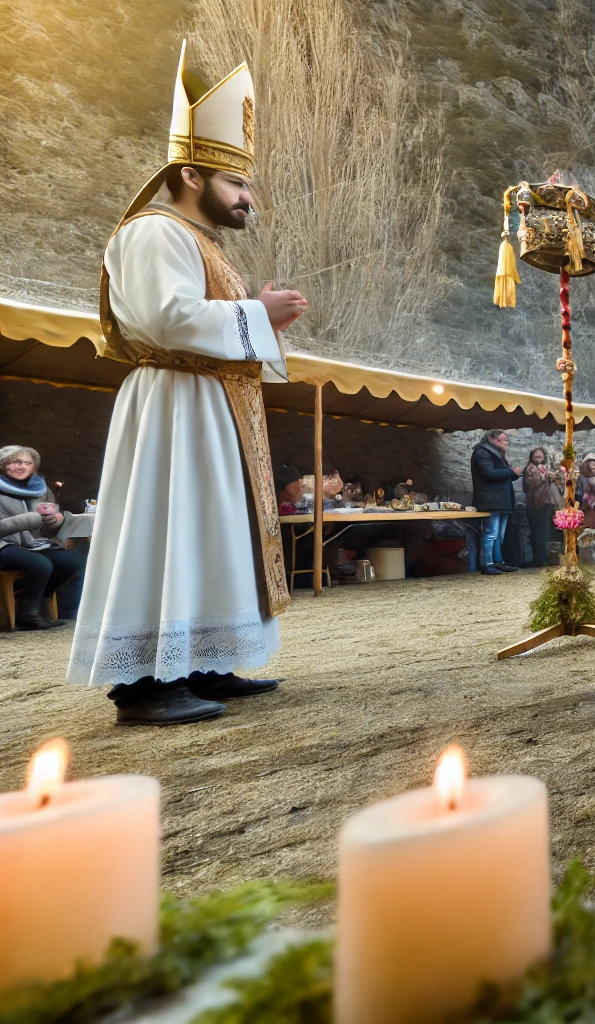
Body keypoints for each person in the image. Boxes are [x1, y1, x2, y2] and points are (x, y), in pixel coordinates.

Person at [73, 47, 302, 725]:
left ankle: (200, 659)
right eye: (237, 183)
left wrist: (251, 310)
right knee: (166, 530)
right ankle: (142, 684)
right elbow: (165, 319)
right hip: (171, 408)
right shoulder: (153, 231)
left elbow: (196, 315)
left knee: (207, 533)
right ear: (191, 172)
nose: (248, 200)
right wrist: (257, 315)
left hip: (207, 408)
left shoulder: (195, 240)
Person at [0, 446, 85, 629]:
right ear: (3, 464)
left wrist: (55, 520)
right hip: (3, 545)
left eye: (27, 462)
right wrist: (31, 519)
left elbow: (47, 526)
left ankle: (33, 599)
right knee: (41, 564)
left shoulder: (40, 488)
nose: (21, 466)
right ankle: (28, 614)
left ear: (34, 467)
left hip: (29, 544)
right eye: (15, 461)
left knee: (73, 561)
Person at [471, 429, 520, 574]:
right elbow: (489, 473)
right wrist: (511, 471)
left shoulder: (495, 453)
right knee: (491, 532)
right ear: (492, 438)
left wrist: (512, 473)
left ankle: (498, 561)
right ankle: (488, 564)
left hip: (501, 500)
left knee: (500, 534)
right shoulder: (482, 452)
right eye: (503, 440)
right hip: (491, 500)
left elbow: (501, 474)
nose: (506, 443)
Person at [522, 447, 564, 568]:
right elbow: (530, 484)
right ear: (532, 457)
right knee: (537, 532)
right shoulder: (530, 469)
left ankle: (543, 558)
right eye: (536, 456)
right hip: (535, 504)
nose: (538, 458)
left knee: (544, 532)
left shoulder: (543, 468)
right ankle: (538, 559)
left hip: (545, 503)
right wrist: (545, 476)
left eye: (540, 456)